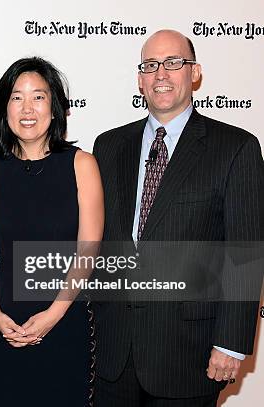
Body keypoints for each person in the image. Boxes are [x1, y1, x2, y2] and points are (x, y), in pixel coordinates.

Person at [93, 29, 264, 406]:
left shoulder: (235, 148)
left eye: (174, 63)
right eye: (151, 65)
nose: (161, 74)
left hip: (190, 356)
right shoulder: (108, 146)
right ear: (140, 79)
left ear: (195, 73)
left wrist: (231, 344)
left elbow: (246, 254)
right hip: (114, 354)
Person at [0, 57, 104, 406]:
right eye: (17, 97)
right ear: (4, 107)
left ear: (55, 106)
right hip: (4, 324)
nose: (27, 108)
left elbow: (87, 250)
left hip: (64, 319)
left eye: (39, 97)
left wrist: (53, 315)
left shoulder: (82, 165)